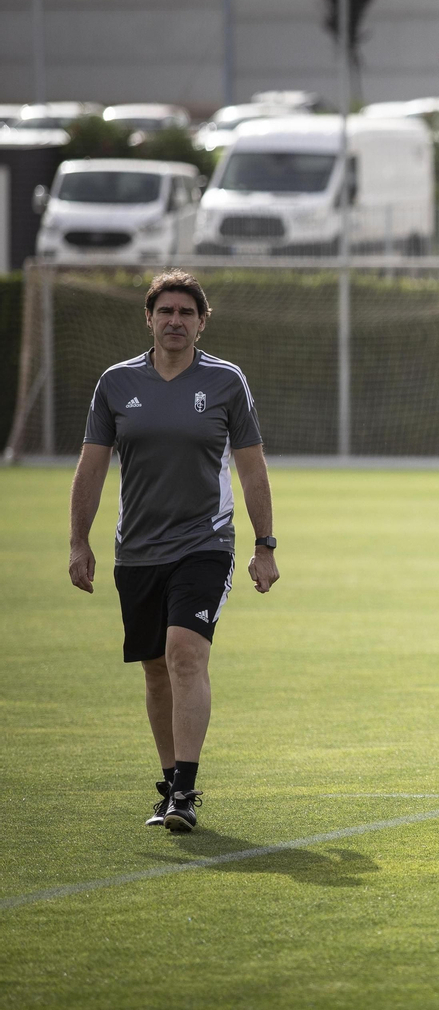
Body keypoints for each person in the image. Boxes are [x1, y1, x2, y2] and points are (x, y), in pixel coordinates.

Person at [69, 269, 279, 833]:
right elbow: (91, 466)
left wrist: (265, 545)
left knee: (186, 653)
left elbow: (252, 466)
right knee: (156, 670)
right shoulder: (115, 384)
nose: (175, 321)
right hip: (135, 550)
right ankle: (168, 784)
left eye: (187, 312)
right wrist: (77, 542)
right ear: (149, 318)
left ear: (203, 322)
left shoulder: (226, 382)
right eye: (166, 311)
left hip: (204, 543)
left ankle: (185, 792)